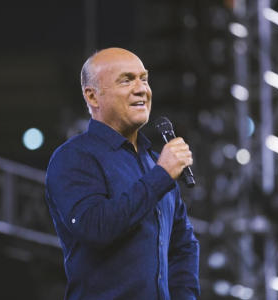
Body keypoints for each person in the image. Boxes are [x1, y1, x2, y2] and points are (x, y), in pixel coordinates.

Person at [45, 47, 200, 300]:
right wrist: (161, 175)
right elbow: (96, 227)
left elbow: (183, 245)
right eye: (126, 80)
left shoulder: (154, 163)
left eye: (144, 79)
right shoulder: (74, 158)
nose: (142, 89)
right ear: (93, 97)